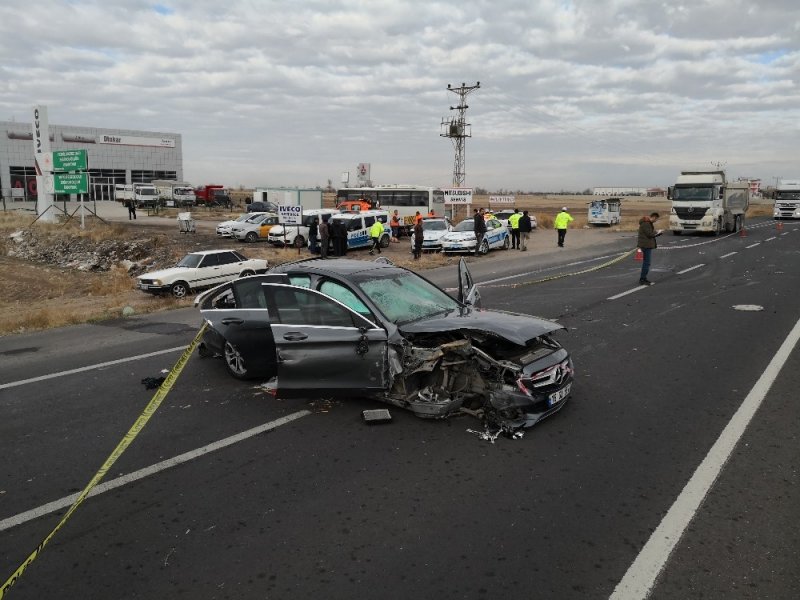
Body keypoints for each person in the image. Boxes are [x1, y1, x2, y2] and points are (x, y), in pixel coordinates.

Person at [637, 212, 662, 285]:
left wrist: (657, 232)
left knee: (646, 263)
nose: (656, 221)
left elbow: (650, 232)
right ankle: (643, 279)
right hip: (646, 245)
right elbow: (649, 234)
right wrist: (658, 233)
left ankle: (643, 278)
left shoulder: (647, 223)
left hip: (646, 245)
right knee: (646, 263)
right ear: (654, 217)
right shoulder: (646, 223)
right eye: (656, 219)